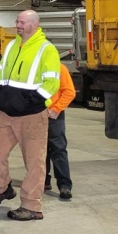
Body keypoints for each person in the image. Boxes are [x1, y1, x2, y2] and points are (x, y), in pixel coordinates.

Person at [0, 10, 61, 221]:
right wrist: (1, 93)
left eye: (21, 22)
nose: (17, 24)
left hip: (32, 116)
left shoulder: (47, 49)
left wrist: (29, 101)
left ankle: (31, 206)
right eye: (17, 20)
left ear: (34, 25)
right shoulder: (11, 45)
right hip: (4, 112)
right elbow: (1, 71)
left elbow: (52, 82)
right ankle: (2, 188)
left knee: (34, 162)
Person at [46, 65, 76, 201]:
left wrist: (56, 109)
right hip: (34, 116)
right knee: (38, 151)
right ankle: (43, 181)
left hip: (54, 115)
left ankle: (64, 186)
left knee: (58, 149)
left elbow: (69, 91)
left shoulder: (59, 68)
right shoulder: (33, 66)